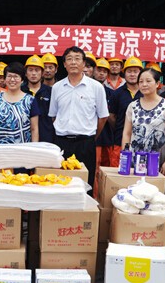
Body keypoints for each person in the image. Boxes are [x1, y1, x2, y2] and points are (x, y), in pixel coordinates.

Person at [49, 47, 109, 191]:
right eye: (69, 59)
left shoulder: (96, 87)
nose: (73, 62)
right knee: (61, 184)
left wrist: (92, 136)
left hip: (85, 144)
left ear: (84, 63)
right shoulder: (57, 87)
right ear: (64, 64)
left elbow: (103, 117)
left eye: (77, 59)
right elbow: (54, 116)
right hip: (62, 143)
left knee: (85, 185)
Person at [122, 68, 165, 176]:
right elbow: (127, 133)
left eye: (148, 81)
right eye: (141, 81)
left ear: (157, 84)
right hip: (135, 160)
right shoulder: (132, 106)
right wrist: (125, 157)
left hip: (157, 161)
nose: (144, 84)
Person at [0, 62, 39, 144]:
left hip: (23, 149)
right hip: (0, 149)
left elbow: (34, 128)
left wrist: (34, 147)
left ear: (22, 80)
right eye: (9, 76)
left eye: (16, 76)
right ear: (5, 79)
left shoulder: (30, 100)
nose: (12, 80)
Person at [109, 57, 143, 167]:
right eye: (129, 71)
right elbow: (112, 117)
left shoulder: (146, 93)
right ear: (124, 73)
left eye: (135, 71)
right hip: (120, 140)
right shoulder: (117, 94)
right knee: (118, 171)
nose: (132, 74)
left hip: (142, 143)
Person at [21, 55, 54, 143]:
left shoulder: (51, 92)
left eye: (37, 70)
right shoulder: (20, 91)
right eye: (30, 70)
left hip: (47, 139)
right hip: (24, 139)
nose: (33, 73)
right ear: (25, 73)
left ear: (42, 73)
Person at [94, 58, 115, 171]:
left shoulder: (112, 94)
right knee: (95, 165)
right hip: (93, 136)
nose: (101, 73)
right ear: (94, 71)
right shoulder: (88, 91)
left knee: (106, 167)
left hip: (107, 136)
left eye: (105, 71)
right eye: (99, 70)